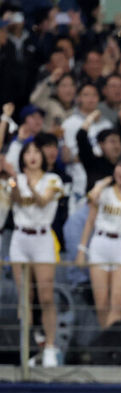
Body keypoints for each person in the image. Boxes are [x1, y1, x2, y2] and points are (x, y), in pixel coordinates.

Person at [5, 141, 65, 366]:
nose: (32, 156)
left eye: (36, 152)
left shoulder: (53, 180)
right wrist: (15, 182)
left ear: (43, 157)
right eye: (27, 152)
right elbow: (15, 200)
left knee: (46, 295)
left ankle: (50, 345)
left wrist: (28, 184)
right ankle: (27, 346)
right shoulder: (16, 179)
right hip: (20, 238)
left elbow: (43, 201)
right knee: (24, 297)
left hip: (42, 237)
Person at [76, 160, 121, 328]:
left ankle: (113, 349)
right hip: (100, 244)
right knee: (101, 304)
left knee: (117, 304)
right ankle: (106, 341)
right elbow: (90, 220)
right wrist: (82, 249)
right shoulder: (104, 191)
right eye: (120, 166)